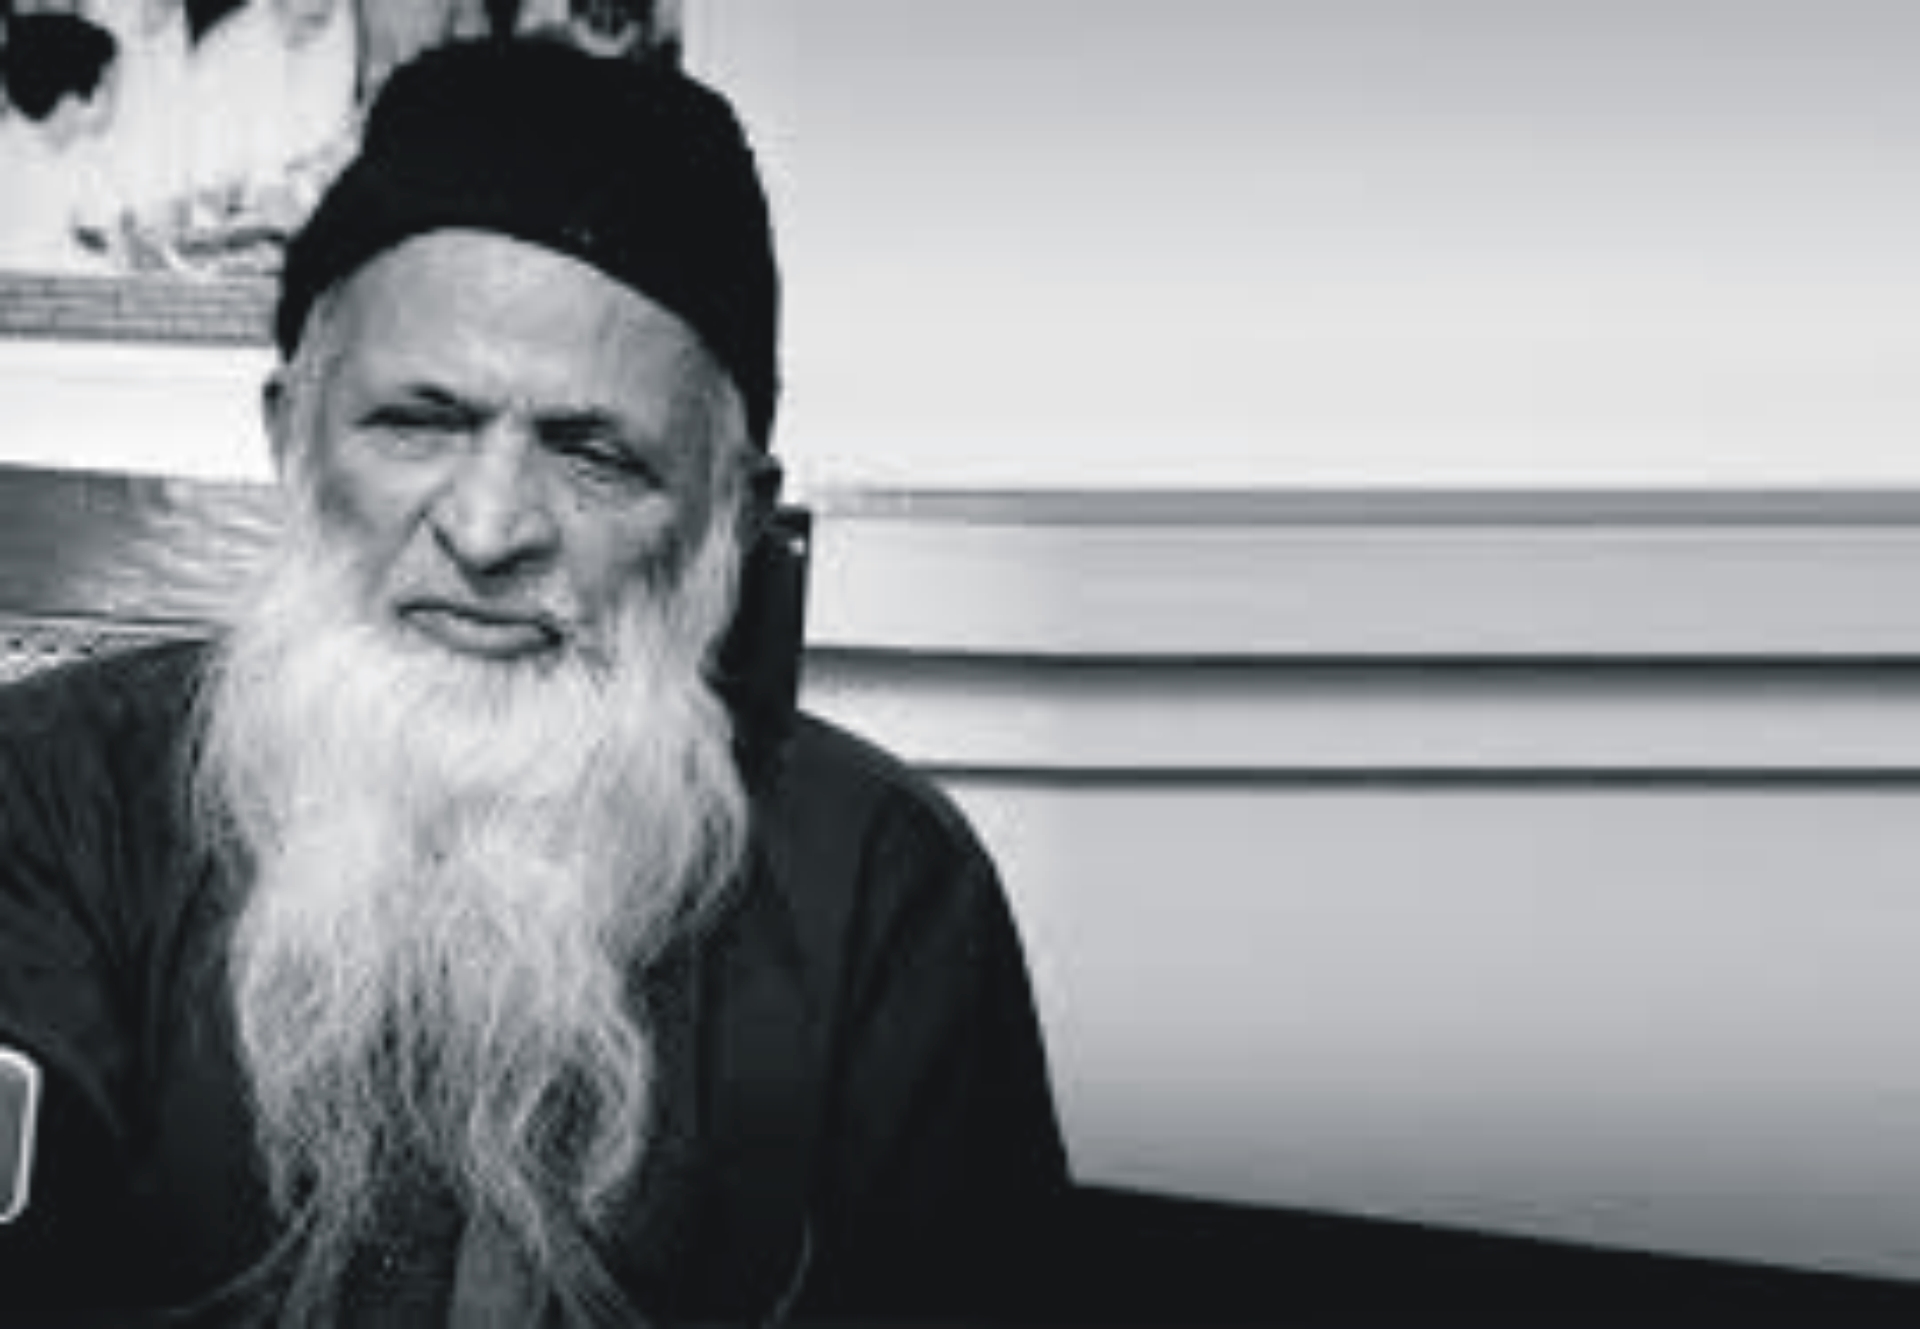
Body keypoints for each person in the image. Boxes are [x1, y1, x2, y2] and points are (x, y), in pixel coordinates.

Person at [0, 37, 1069, 1327]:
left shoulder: (887, 881)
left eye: (594, 454)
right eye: (419, 422)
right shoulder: (48, 791)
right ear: (291, 436)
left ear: (729, 516)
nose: (490, 527)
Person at [0, 10, 121, 272]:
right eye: (106, 88)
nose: (114, 101)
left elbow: (108, 220)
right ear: (70, 97)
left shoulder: (74, 150)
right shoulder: (11, 161)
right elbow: (27, 263)